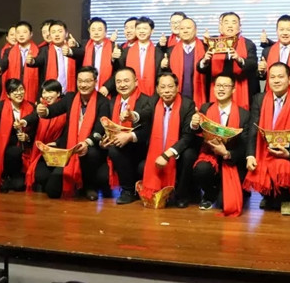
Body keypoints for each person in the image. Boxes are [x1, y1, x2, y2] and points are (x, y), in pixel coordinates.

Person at [243, 62, 290, 216]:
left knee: (283, 165)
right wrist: (250, 155)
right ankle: (268, 195)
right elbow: (253, 128)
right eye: (272, 77)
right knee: (258, 163)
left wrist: (289, 153)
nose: (276, 80)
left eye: (280, 77)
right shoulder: (259, 99)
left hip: (289, 149)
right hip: (264, 147)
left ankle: (287, 199)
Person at [34, 67, 111, 200]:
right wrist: (44, 111)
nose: (83, 85)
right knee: (52, 191)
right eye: (80, 81)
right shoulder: (70, 97)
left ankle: (88, 186)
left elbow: (100, 129)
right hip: (69, 149)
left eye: (87, 81)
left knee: (90, 154)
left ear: (95, 81)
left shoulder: (103, 102)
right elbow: (53, 110)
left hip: (91, 149)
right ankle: (73, 183)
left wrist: (86, 143)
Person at [191, 73, 250, 215]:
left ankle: (224, 191)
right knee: (201, 169)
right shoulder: (205, 108)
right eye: (218, 85)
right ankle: (210, 193)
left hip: (232, 160)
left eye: (225, 86)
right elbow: (198, 132)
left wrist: (227, 153)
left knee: (226, 203)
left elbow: (245, 145)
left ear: (233, 89)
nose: (221, 89)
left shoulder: (244, 114)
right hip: (210, 156)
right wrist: (194, 125)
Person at [138, 72, 199, 207]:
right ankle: (156, 192)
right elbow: (143, 115)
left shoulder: (187, 104)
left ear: (177, 88)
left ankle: (182, 195)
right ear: (157, 89)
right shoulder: (153, 101)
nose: (166, 91)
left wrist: (167, 155)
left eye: (170, 87)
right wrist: (133, 116)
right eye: (163, 87)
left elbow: (187, 137)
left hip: (179, 150)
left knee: (188, 156)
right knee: (142, 166)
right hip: (157, 149)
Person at [99, 67, 154, 204]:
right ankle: (128, 188)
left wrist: (130, 136)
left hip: (141, 149)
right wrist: (103, 141)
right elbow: (104, 127)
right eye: (118, 82)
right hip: (117, 149)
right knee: (102, 173)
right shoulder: (111, 102)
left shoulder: (147, 101)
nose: (122, 85)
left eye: (126, 81)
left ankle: (128, 190)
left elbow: (150, 130)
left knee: (117, 151)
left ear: (136, 82)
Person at [197, 12, 257, 111]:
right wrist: (205, 61)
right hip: (217, 87)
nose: (230, 25)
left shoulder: (248, 44)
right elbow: (200, 68)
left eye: (234, 22)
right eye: (226, 22)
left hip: (240, 87)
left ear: (240, 27)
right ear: (221, 26)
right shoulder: (212, 42)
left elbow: (253, 65)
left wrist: (239, 59)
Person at [21, 80, 68, 195]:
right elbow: (33, 117)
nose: (46, 95)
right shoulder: (41, 107)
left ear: (58, 93)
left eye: (50, 92)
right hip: (42, 152)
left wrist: (56, 143)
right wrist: (24, 121)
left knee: (53, 188)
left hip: (61, 152)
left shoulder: (66, 108)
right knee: (40, 176)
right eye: (44, 92)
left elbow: (68, 133)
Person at [159, 17, 207, 108]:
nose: (185, 31)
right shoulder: (170, 51)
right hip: (177, 99)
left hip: (200, 97)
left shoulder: (205, 48)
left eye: (188, 28)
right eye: (182, 29)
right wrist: (163, 66)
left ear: (196, 30)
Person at [28, 20, 77, 94]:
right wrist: (32, 61)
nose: (56, 35)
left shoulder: (73, 48)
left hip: (70, 92)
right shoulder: (44, 50)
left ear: (66, 33)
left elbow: (81, 52)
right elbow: (38, 60)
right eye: (53, 32)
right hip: (50, 93)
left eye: (59, 31)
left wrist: (76, 45)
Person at [0, 21, 40, 104]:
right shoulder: (9, 51)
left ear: (31, 34)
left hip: (32, 94)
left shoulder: (39, 51)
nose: (21, 35)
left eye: (24, 32)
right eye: (18, 32)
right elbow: (4, 63)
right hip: (14, 91)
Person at [73, 17, 116, 98]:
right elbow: (76, 53)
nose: (96, 33)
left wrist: (107, 86)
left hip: (107, 91)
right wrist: (70, 50)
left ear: (106, 32)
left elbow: (118, 71)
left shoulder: (114, 47)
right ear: (89, 32)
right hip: (87, 89)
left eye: (99, 30)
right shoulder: (85, 46)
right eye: (93, 30)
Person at [120, 16, 160, 96]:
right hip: (130, 94)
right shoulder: (126, 51)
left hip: (152, 96)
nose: (141, 31)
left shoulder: (158, 53)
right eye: (138, 28)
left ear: (152, 31)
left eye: (145, 28)